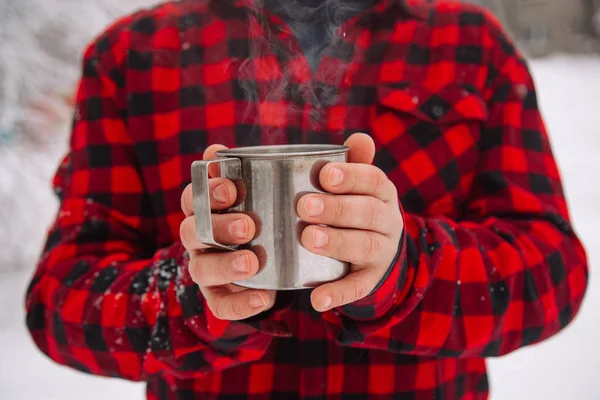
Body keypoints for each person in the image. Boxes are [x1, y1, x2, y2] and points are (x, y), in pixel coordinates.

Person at [25, 0, 589, 399]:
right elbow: (58, 301)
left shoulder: (471, 46)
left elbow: (554, 274)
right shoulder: (133, 57)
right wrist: (191, 297)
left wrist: (408, 268)